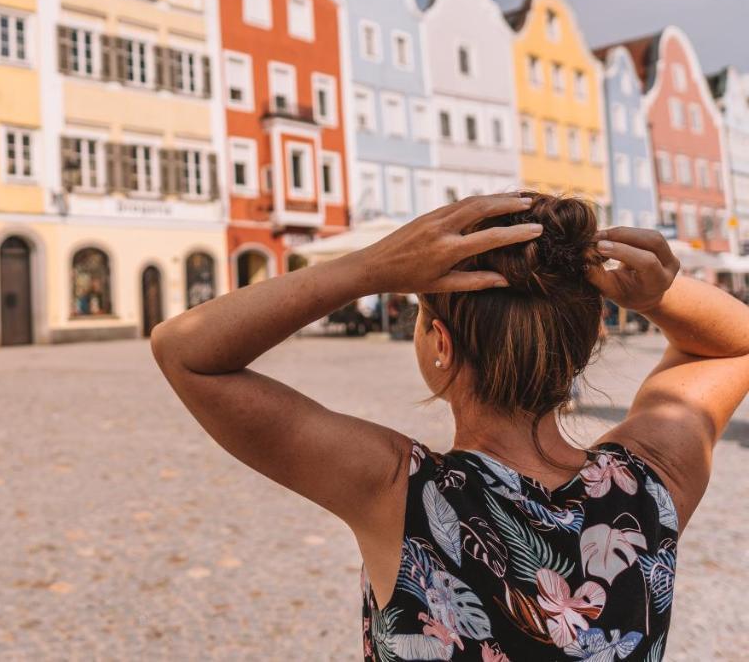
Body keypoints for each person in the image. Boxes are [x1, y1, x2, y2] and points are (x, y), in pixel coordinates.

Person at [151, 192, 749, 659]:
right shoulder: (651, 482)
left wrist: (368, 269)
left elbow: (186, 351)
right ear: (587, 340)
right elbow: (734, 347)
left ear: (440, 344)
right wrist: (660, 296)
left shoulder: (402, 493)